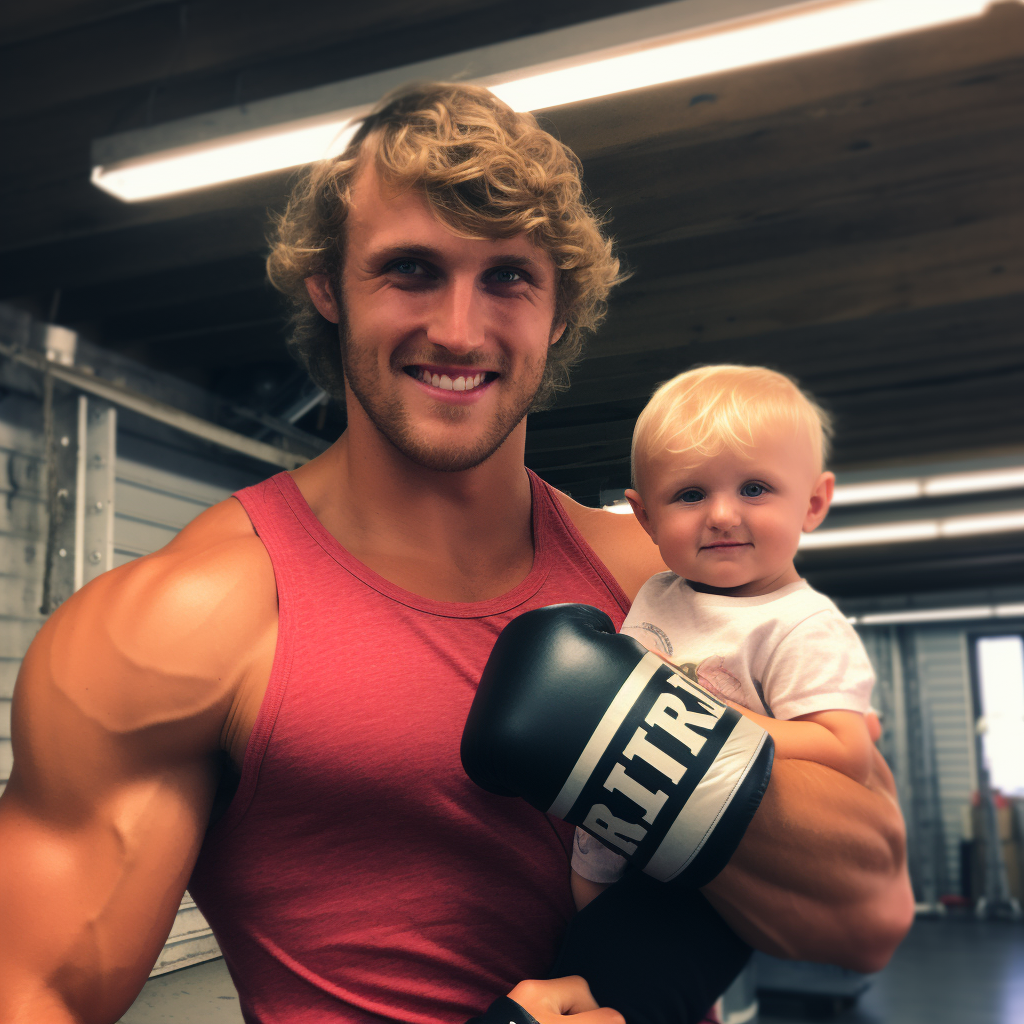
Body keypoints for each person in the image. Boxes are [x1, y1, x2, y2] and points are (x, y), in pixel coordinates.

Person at [0, 83, 913, 1024]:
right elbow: (38, 994)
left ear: (559, 308)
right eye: (410, 270)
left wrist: (659, 751)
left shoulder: (660, 579)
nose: (460, 331)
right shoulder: (186, 618)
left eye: (509, 277)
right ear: (330, 288)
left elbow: (866, 913)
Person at [569, 364, 878, 910]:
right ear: (644, 517)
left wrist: (705, 721)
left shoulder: (800, 624)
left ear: (812, 502)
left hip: (709, 872)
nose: (721, 515)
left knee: (616, 984)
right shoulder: (658, 593)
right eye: (689, 494)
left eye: (754, 488)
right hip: (610, 848)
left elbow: (846, 751)